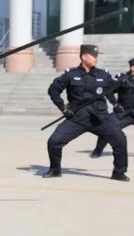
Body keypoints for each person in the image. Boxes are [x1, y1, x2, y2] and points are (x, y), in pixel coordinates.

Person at [44, 44, 129, 181]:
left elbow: (115, 87)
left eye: (97, 56)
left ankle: (119, 172)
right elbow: (53, 90)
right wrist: (63, 108)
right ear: (84, 57)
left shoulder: (103, 74)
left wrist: (124, 83)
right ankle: (55, 169)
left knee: (120, 138)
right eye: (94, 56)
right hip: (77, 118)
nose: (96, 58)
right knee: (54, 141)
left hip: (100, 118)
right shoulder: (71, 74)